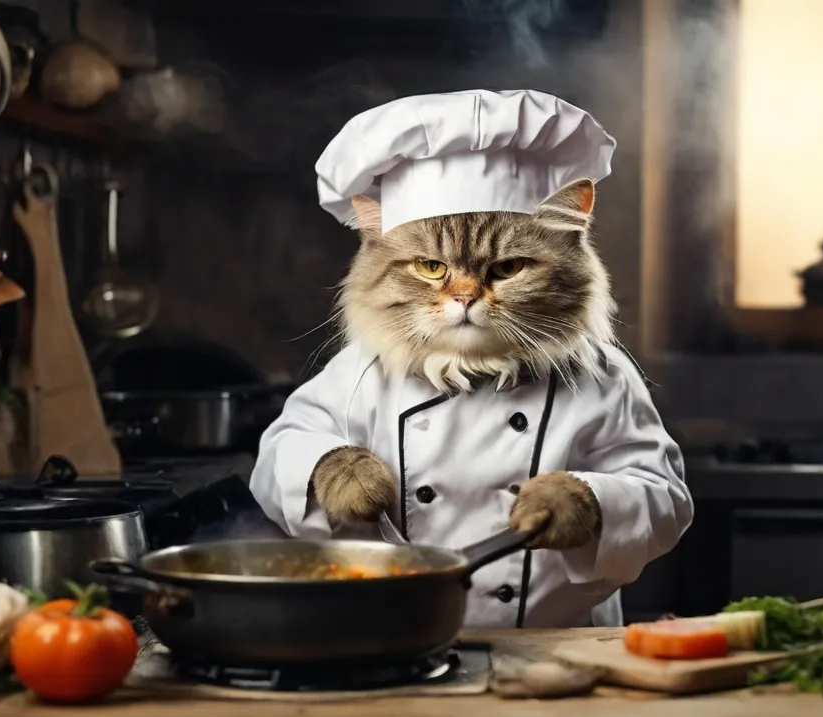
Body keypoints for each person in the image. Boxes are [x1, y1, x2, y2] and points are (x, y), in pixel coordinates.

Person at [250, 89, 693, 628]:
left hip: (561, 648)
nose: (463, 295)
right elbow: (279, 454)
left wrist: (592, 502)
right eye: (430, 268)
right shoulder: (360, 374)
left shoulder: (603, 378)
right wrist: (326, 466)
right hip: (393, 638)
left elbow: (666, 498)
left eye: (504, 269)